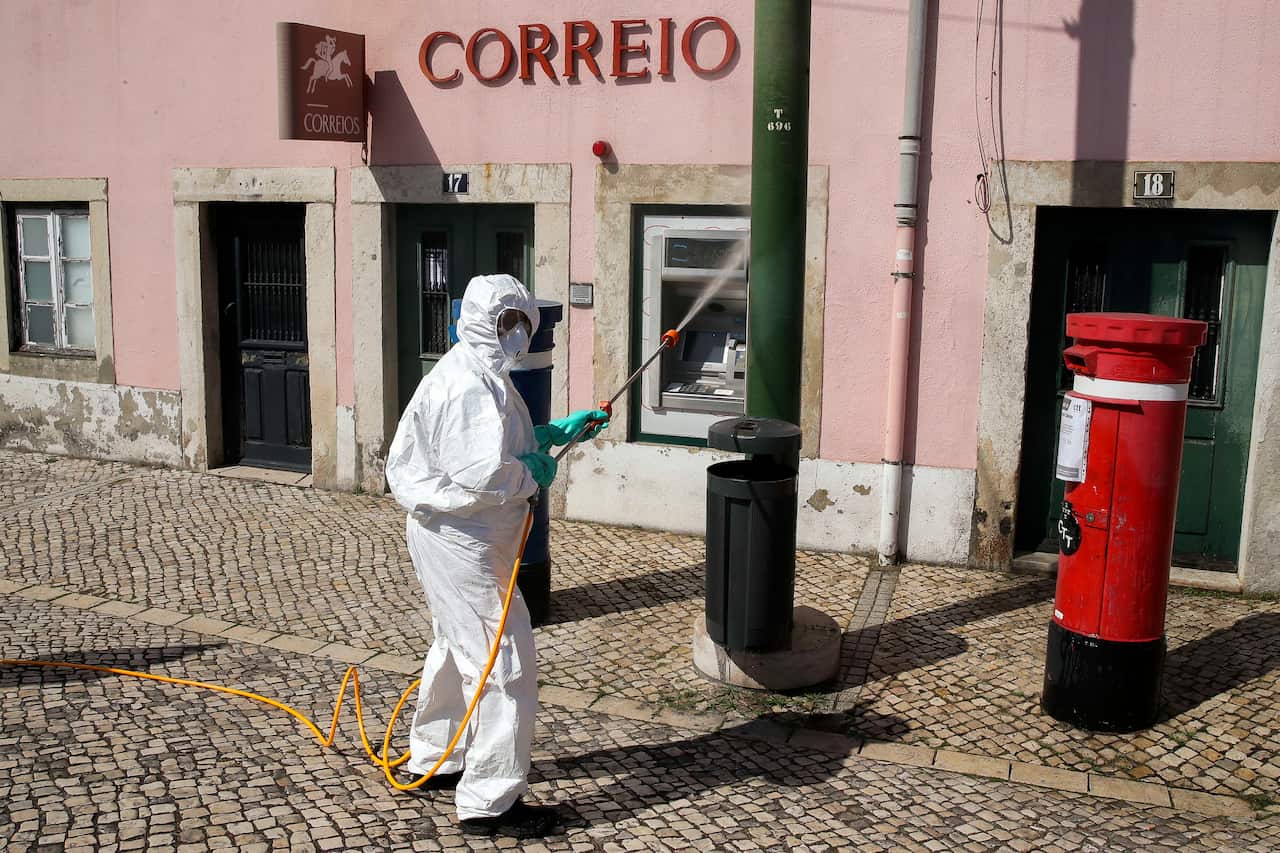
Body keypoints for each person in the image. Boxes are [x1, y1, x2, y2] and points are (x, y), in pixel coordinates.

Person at [384, 273, 608, 839]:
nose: (515, 335)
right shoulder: (467, 385)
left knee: (456, 648)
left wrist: (549, 434)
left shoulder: (481, 374)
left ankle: (435, 756)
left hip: (458, 534)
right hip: (463, 539)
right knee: (504, 662)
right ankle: (489, 802)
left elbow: (493, 444)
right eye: (505, 323)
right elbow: (482, 471)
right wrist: (528, 472)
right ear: (481, 321)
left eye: (520, 324)